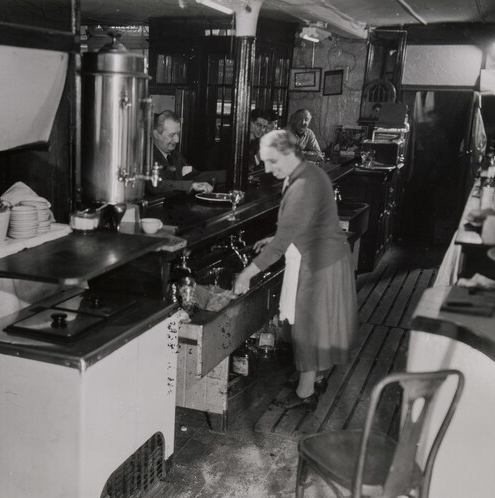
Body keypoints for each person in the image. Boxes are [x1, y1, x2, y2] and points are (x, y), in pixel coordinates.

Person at [233, 130, 358, 413]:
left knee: (309, 329)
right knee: (321, 327)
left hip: (319, 263)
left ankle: (305, 394)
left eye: (272, 161)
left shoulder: (302, 183)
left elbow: (279, 246)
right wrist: (278, 235)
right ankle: (318, 378)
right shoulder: (307, 173)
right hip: (327, 256)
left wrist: (245, 274)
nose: (267, 169)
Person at [149, 110, 213, 195]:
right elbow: (157, 185)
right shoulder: (147, 157)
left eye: (178, 134)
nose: (177, 140)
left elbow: (194, 176)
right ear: (156, 134)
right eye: (171, 135)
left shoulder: (176, 155)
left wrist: (225, 176)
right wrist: (191, 185)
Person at [248, 109, 278, 173]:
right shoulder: (240, 140)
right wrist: (258, 157)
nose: (261, 130)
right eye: (258, 125)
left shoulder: (257, 141)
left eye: (264, 127)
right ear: (250, 123)